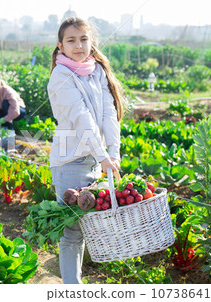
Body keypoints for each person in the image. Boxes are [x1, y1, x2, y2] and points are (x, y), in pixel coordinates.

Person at [47, 17, 125, 284]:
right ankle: (72, 288)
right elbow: (81, 118)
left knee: (87, 227)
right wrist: (102, 154)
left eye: (83, 39)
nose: (78, 45)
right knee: (71, 233)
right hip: (70, 162)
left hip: (95, 159)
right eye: (71, 40)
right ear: (61, 46)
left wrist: (113, 153)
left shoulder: (96, 71)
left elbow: (108, 113)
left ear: (91, 42)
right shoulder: (60, 76)